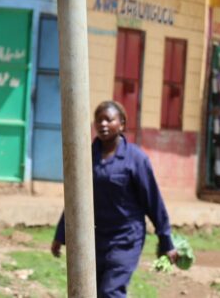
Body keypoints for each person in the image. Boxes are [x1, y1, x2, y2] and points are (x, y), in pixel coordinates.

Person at [50, 100, 178, 297]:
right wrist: (61, 235)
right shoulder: (86, 157)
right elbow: (77, 199)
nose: (102, 124)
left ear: (122, 124)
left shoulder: (135, 159)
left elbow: (153, 201)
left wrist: (166, 240)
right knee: (94, 291)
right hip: (95, 238)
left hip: (126, 238)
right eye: (98, 120)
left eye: (109, 120)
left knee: (110, 291)